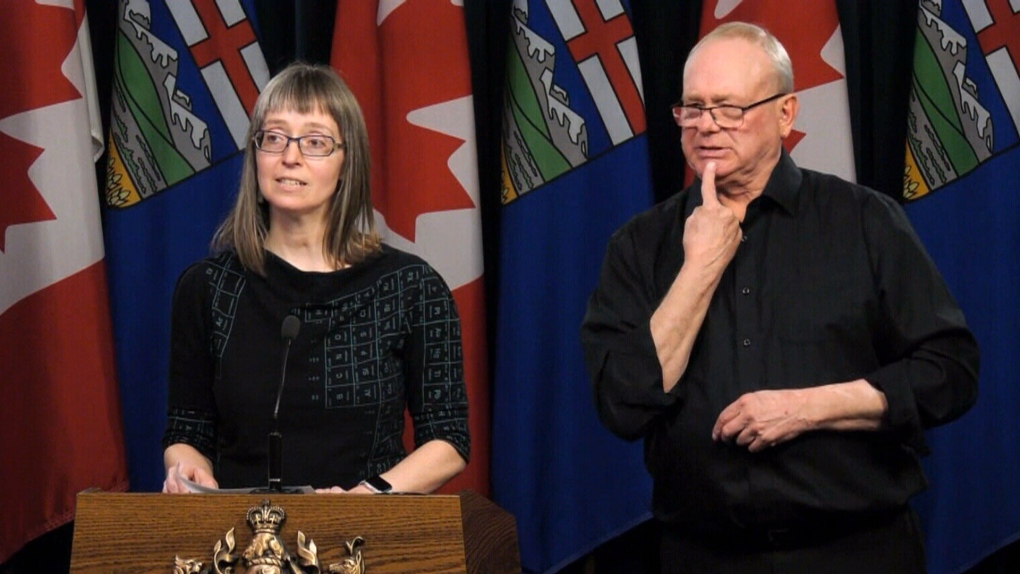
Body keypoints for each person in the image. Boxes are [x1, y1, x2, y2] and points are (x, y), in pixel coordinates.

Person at [580, 22, 978, 573]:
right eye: (692, 109)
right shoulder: (639, 245)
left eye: (729, 108)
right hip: (703, 557)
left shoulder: (864, 221)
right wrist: (698, 269)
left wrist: (810, 408)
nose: (706, 126)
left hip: (858, 552)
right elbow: (623, 404)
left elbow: (950, 373)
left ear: (786, 113)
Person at [161, 62, 469, 495]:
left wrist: (367, 498)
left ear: (347, 163)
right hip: (242, 533)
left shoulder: (411, 287)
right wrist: (189, 472)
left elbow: (448, 438)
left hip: (365, 530)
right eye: (274, 137)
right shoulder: (208, 288)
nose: (290, 156)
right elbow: (187, 432)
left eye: (315, 142)